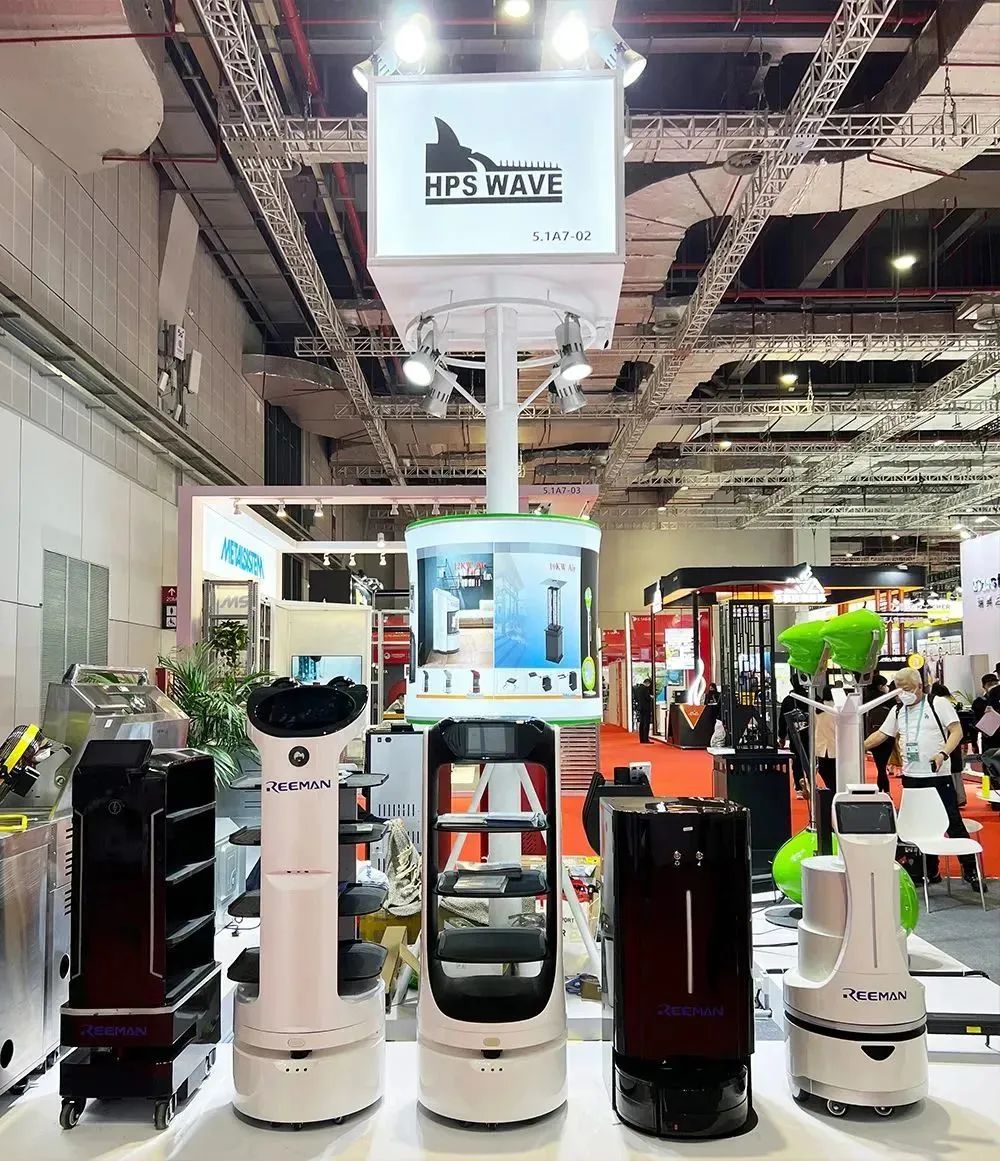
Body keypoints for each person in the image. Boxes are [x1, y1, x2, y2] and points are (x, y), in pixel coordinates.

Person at [864, 666, 985, 891]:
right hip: (911, 777)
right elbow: (882, 734)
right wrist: (858, 746)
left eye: (907, 688)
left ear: (919, 686)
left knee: (952, 822)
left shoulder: (937, 703)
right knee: (920, 826)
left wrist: (943, 754)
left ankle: (971, 871)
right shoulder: (898, 711)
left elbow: (956, 731)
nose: (903, 693)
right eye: (899, 689)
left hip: (937, 776)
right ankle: (929, 871)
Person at [865, 673, 895, 794]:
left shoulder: (866, 700)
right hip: (886, 735)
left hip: (872, 735)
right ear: (880, 686)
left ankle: (883, 791)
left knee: (880, 766)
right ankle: (885, 792)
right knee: (882, 767)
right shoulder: (887, 700)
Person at [778, 676, 807, 795]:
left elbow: (782, 720)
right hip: (810, 734)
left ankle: (799, 786)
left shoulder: (788, 700)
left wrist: (782, 736)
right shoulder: (810, 698)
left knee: (797, 760)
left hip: (795, 734)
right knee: (810, 758)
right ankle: (810, 782)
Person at [814, 685, 837, 793]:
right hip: (835, 746)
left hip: (820, 745)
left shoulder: (817, 708)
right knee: (835, 772)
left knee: (824, 770)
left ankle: (831, 788)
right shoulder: (838, 708)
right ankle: (834, 790)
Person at [972, 673, 1000, 754]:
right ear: (984, 686)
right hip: (989, 740)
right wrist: (974, 742)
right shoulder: (979, 702)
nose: (993, 686)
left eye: (995, 684)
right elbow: (975, 722)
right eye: (990, 684)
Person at [633, 676, 653, 744]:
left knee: (641, 723)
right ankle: (646, 739)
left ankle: (641, 739)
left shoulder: (638, 689)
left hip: (640, 708)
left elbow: (636, 698)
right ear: (648, 683)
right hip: (646, 708)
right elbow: (647, 698)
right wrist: (650, 697)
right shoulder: (645, 689)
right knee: (646, 723)